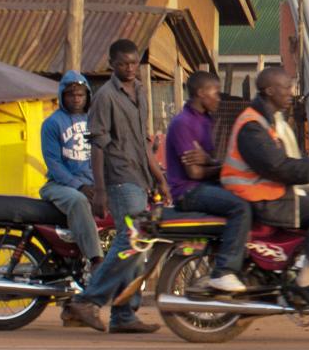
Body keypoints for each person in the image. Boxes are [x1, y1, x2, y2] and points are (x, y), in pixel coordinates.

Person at [223, 67, 309, 309]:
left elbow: (290, 159)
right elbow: (276, 165)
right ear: (270, 91)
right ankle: (305, 282)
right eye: (286, 88)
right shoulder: (252, 125)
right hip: (258, 197)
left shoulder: (267, 120)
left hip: (267, 193)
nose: (291, 93)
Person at [64, 39, 164, 334]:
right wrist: (101, 190)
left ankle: (122, 315)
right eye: (123, 63)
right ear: (111, 64)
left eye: (134, 63)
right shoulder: (105, 97)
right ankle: (88, 300)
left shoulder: (141, 92)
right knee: (131, 241)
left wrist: (160, 178)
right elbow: (97, 146)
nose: (130, 68)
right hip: (119, 178)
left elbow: (144, 142)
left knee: (135, 247)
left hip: (139, 178)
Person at [163, 71, 251, 293]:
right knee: (240, 208)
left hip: (205, 185)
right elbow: (193, 172)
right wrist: (219, 167)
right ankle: (224, 272)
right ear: (201, 93)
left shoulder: (206, 120)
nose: (219, 99)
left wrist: (211, 162)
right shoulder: (183, 123)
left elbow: (208, 163)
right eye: (215, 93)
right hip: (189, 191)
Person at [38, 71, 102, 267]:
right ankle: (96, 259)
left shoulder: (95, 120)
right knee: (78, 200)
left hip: (93, 182)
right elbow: (54, 164)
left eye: (81, 95)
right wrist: (79, 186)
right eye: (71, 95)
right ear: (62, 96)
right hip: (60, 185)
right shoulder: (52, 123)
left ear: (88, 96)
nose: (76, 99)